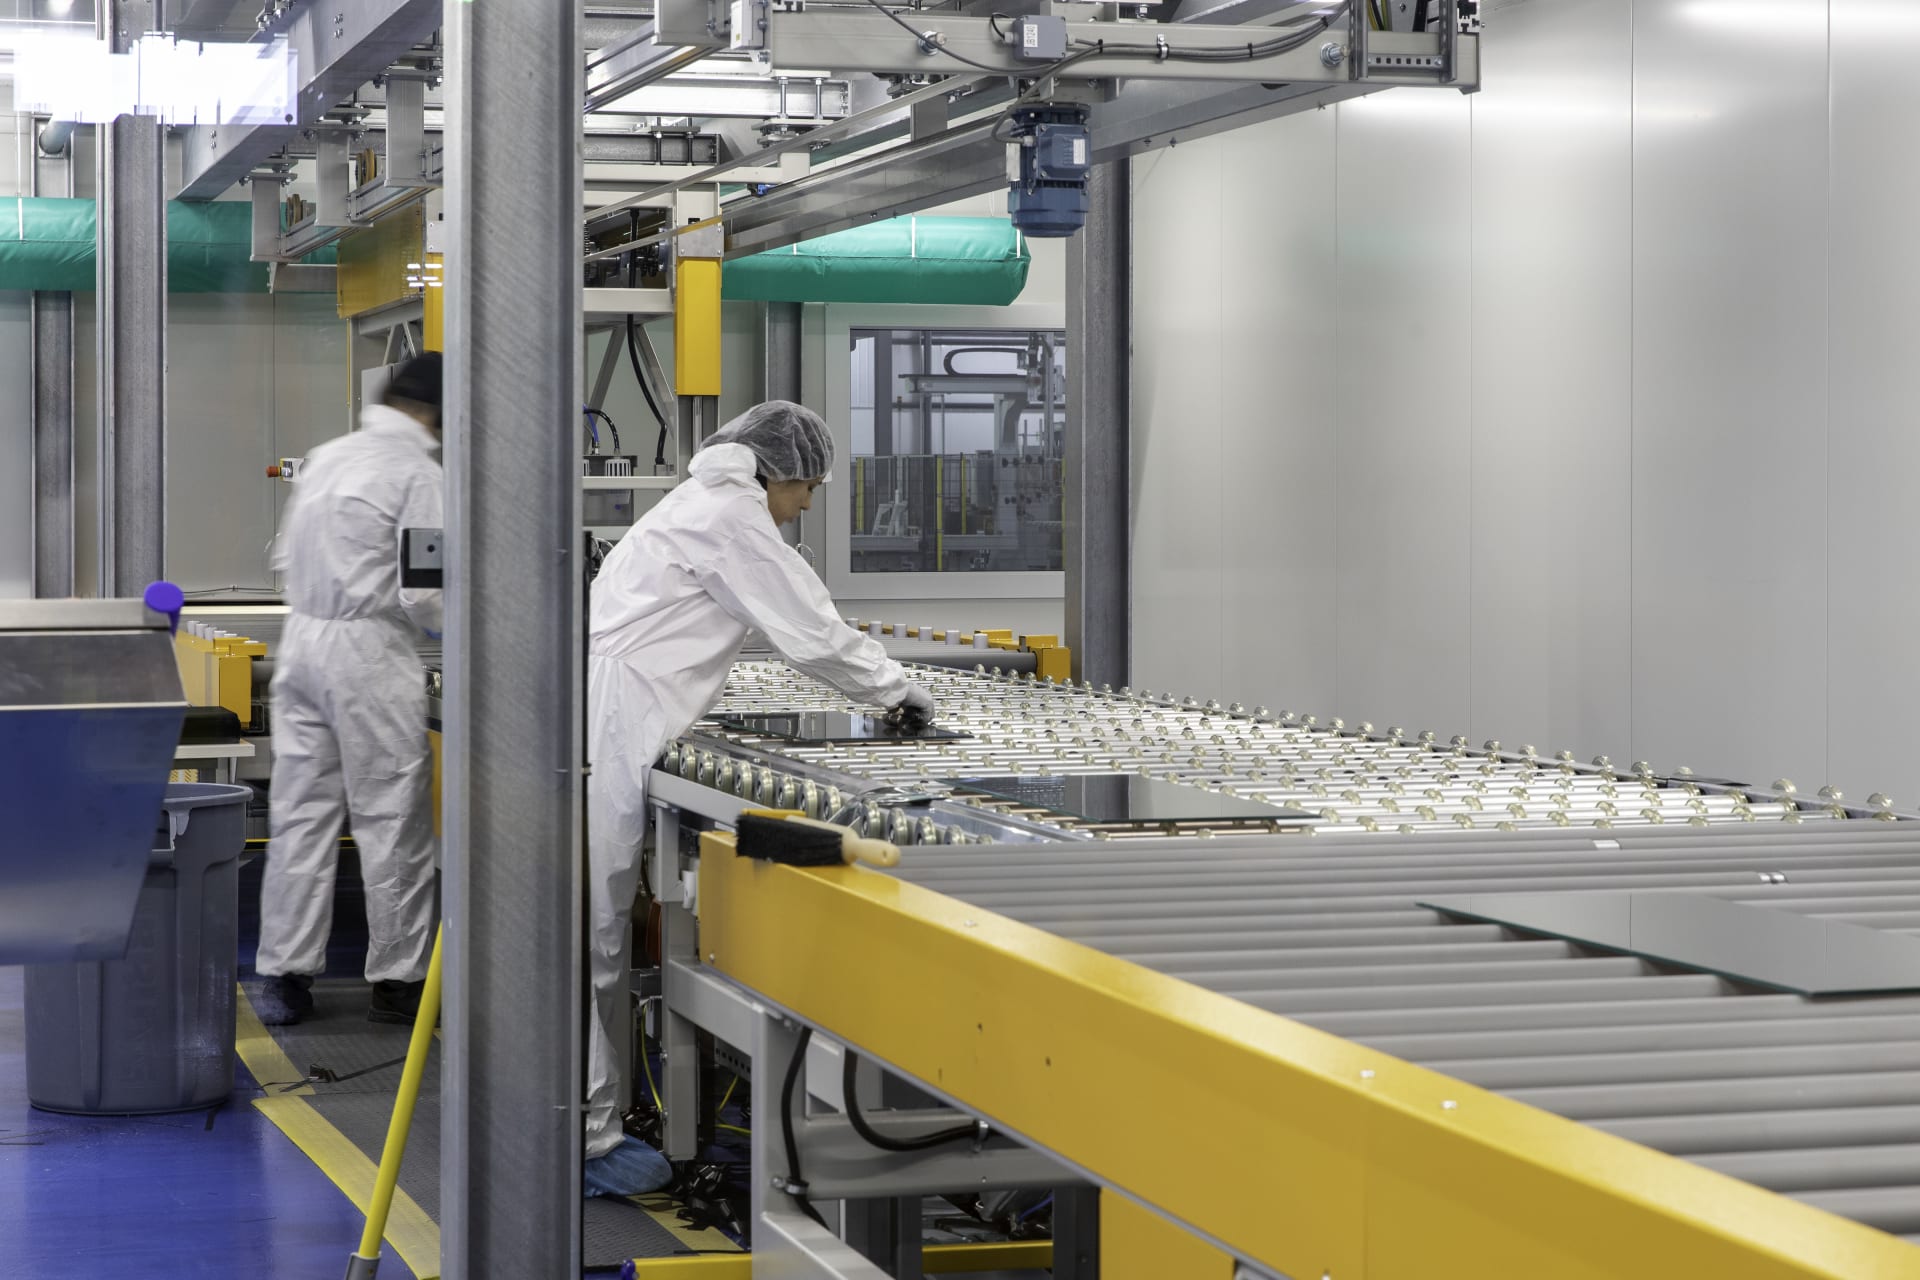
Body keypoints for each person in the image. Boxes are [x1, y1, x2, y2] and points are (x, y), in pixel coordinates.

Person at [583, 400, 934, 1196]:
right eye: (807, 486)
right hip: (623, 717)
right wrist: (897, 692)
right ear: (776, 473)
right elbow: (808, 628)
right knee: (599, 929)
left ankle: (599, 1116)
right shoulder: (730, 518)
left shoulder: (699, 503)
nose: (808, 502)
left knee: (603, 925)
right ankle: (589, 1133)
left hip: (627, 709)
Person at [253, 353, 444, 1027]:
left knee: (300, 816)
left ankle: (283, 976)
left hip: (300, 644)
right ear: (435, 415)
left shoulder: (328, 456)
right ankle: (398, 983)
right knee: (390, 818)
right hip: (368, 651)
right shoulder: (419, 473)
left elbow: (282, 557)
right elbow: (426, 589)